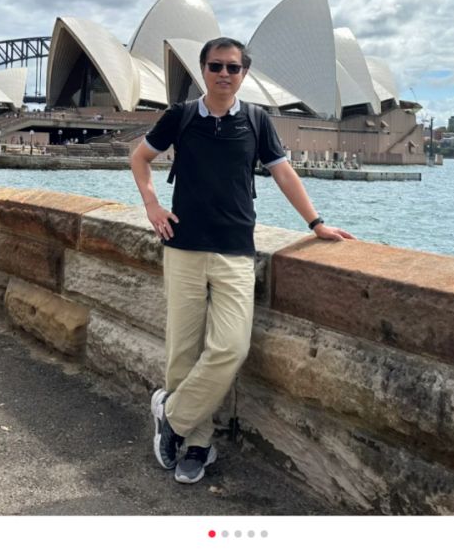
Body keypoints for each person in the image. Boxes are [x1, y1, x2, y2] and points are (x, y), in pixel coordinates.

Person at [130, 37, 355, 485]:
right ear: (203, 69)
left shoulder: (256, 120)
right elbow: (140, 158)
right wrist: (152, 206)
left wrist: (316, 223)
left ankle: (171, 417)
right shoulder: (181, 116)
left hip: (235, 250)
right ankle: (197, 443)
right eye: (216, 66)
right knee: (183, 351)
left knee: (231, 347)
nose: (224, 74)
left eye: (233, 67)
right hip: (183, 246)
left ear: (244, 74)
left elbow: (283, 172)